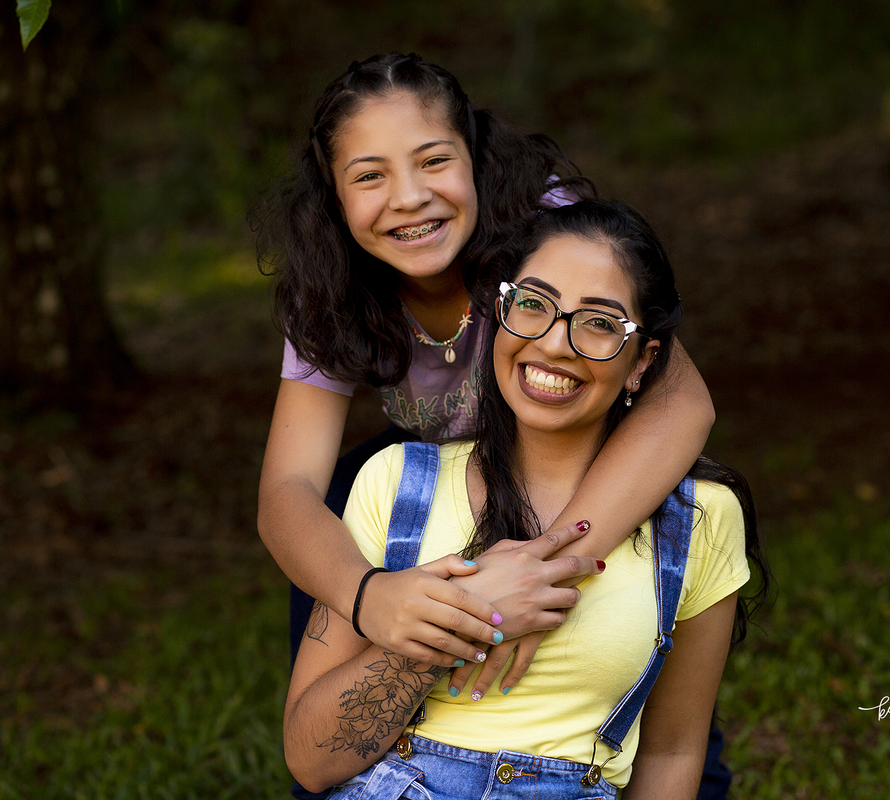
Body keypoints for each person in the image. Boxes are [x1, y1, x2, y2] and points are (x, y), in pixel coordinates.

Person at [251, 54, 725, 796]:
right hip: (425, 477)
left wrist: (543, 574)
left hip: (569, 462)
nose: (409, 198)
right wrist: (369, 594)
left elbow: (680, 401)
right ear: (335, 195)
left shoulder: (543, 223)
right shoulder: (328, 283)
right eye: (369, 176)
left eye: (433, 161)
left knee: (634, 648)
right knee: (336, 693)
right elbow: (287, 489)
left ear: (474, 157)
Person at [283, 199, 769, 798]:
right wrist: (462, 620)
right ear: (500, 315)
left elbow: (673, 751)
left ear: (643, 362)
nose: (555, 344)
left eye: (598, 322)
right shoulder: (395, 481)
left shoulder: (698, 519)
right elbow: (311, 758)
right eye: (533, 305)